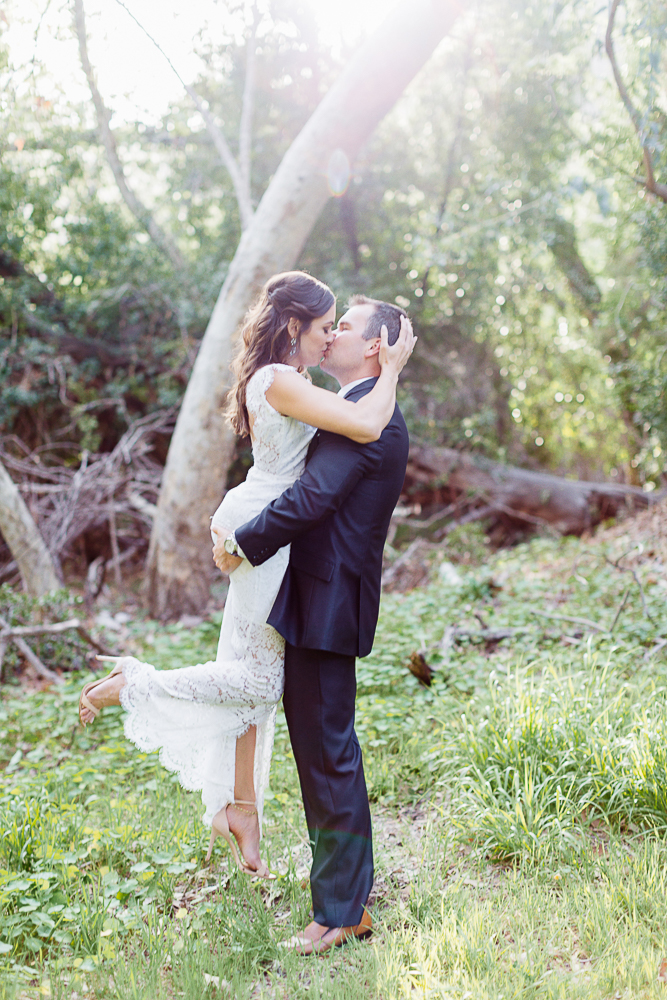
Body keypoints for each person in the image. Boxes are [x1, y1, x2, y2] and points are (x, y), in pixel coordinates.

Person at [78, 272, 415, 880]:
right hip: (263, 526)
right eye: (322, 326)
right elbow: (364, 426)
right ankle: (134, 684)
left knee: (246, 661)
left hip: (258, 517)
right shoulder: (285, 382)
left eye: (338, 326)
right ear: (294, 326)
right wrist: (392, 370)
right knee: (259, 680)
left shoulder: (292, 381)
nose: (328, 335)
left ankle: (241, 807)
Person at [212, 293, 412, 952]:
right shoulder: (355, 407)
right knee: (321, 754)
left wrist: (241, 540)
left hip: (328, 600)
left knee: (328, 757)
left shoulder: (369, 416)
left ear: (375, 347)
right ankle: (342, 902)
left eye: (345, 328)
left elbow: (313, 497)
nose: (332, 337)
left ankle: (340, 912)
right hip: (313, 596)